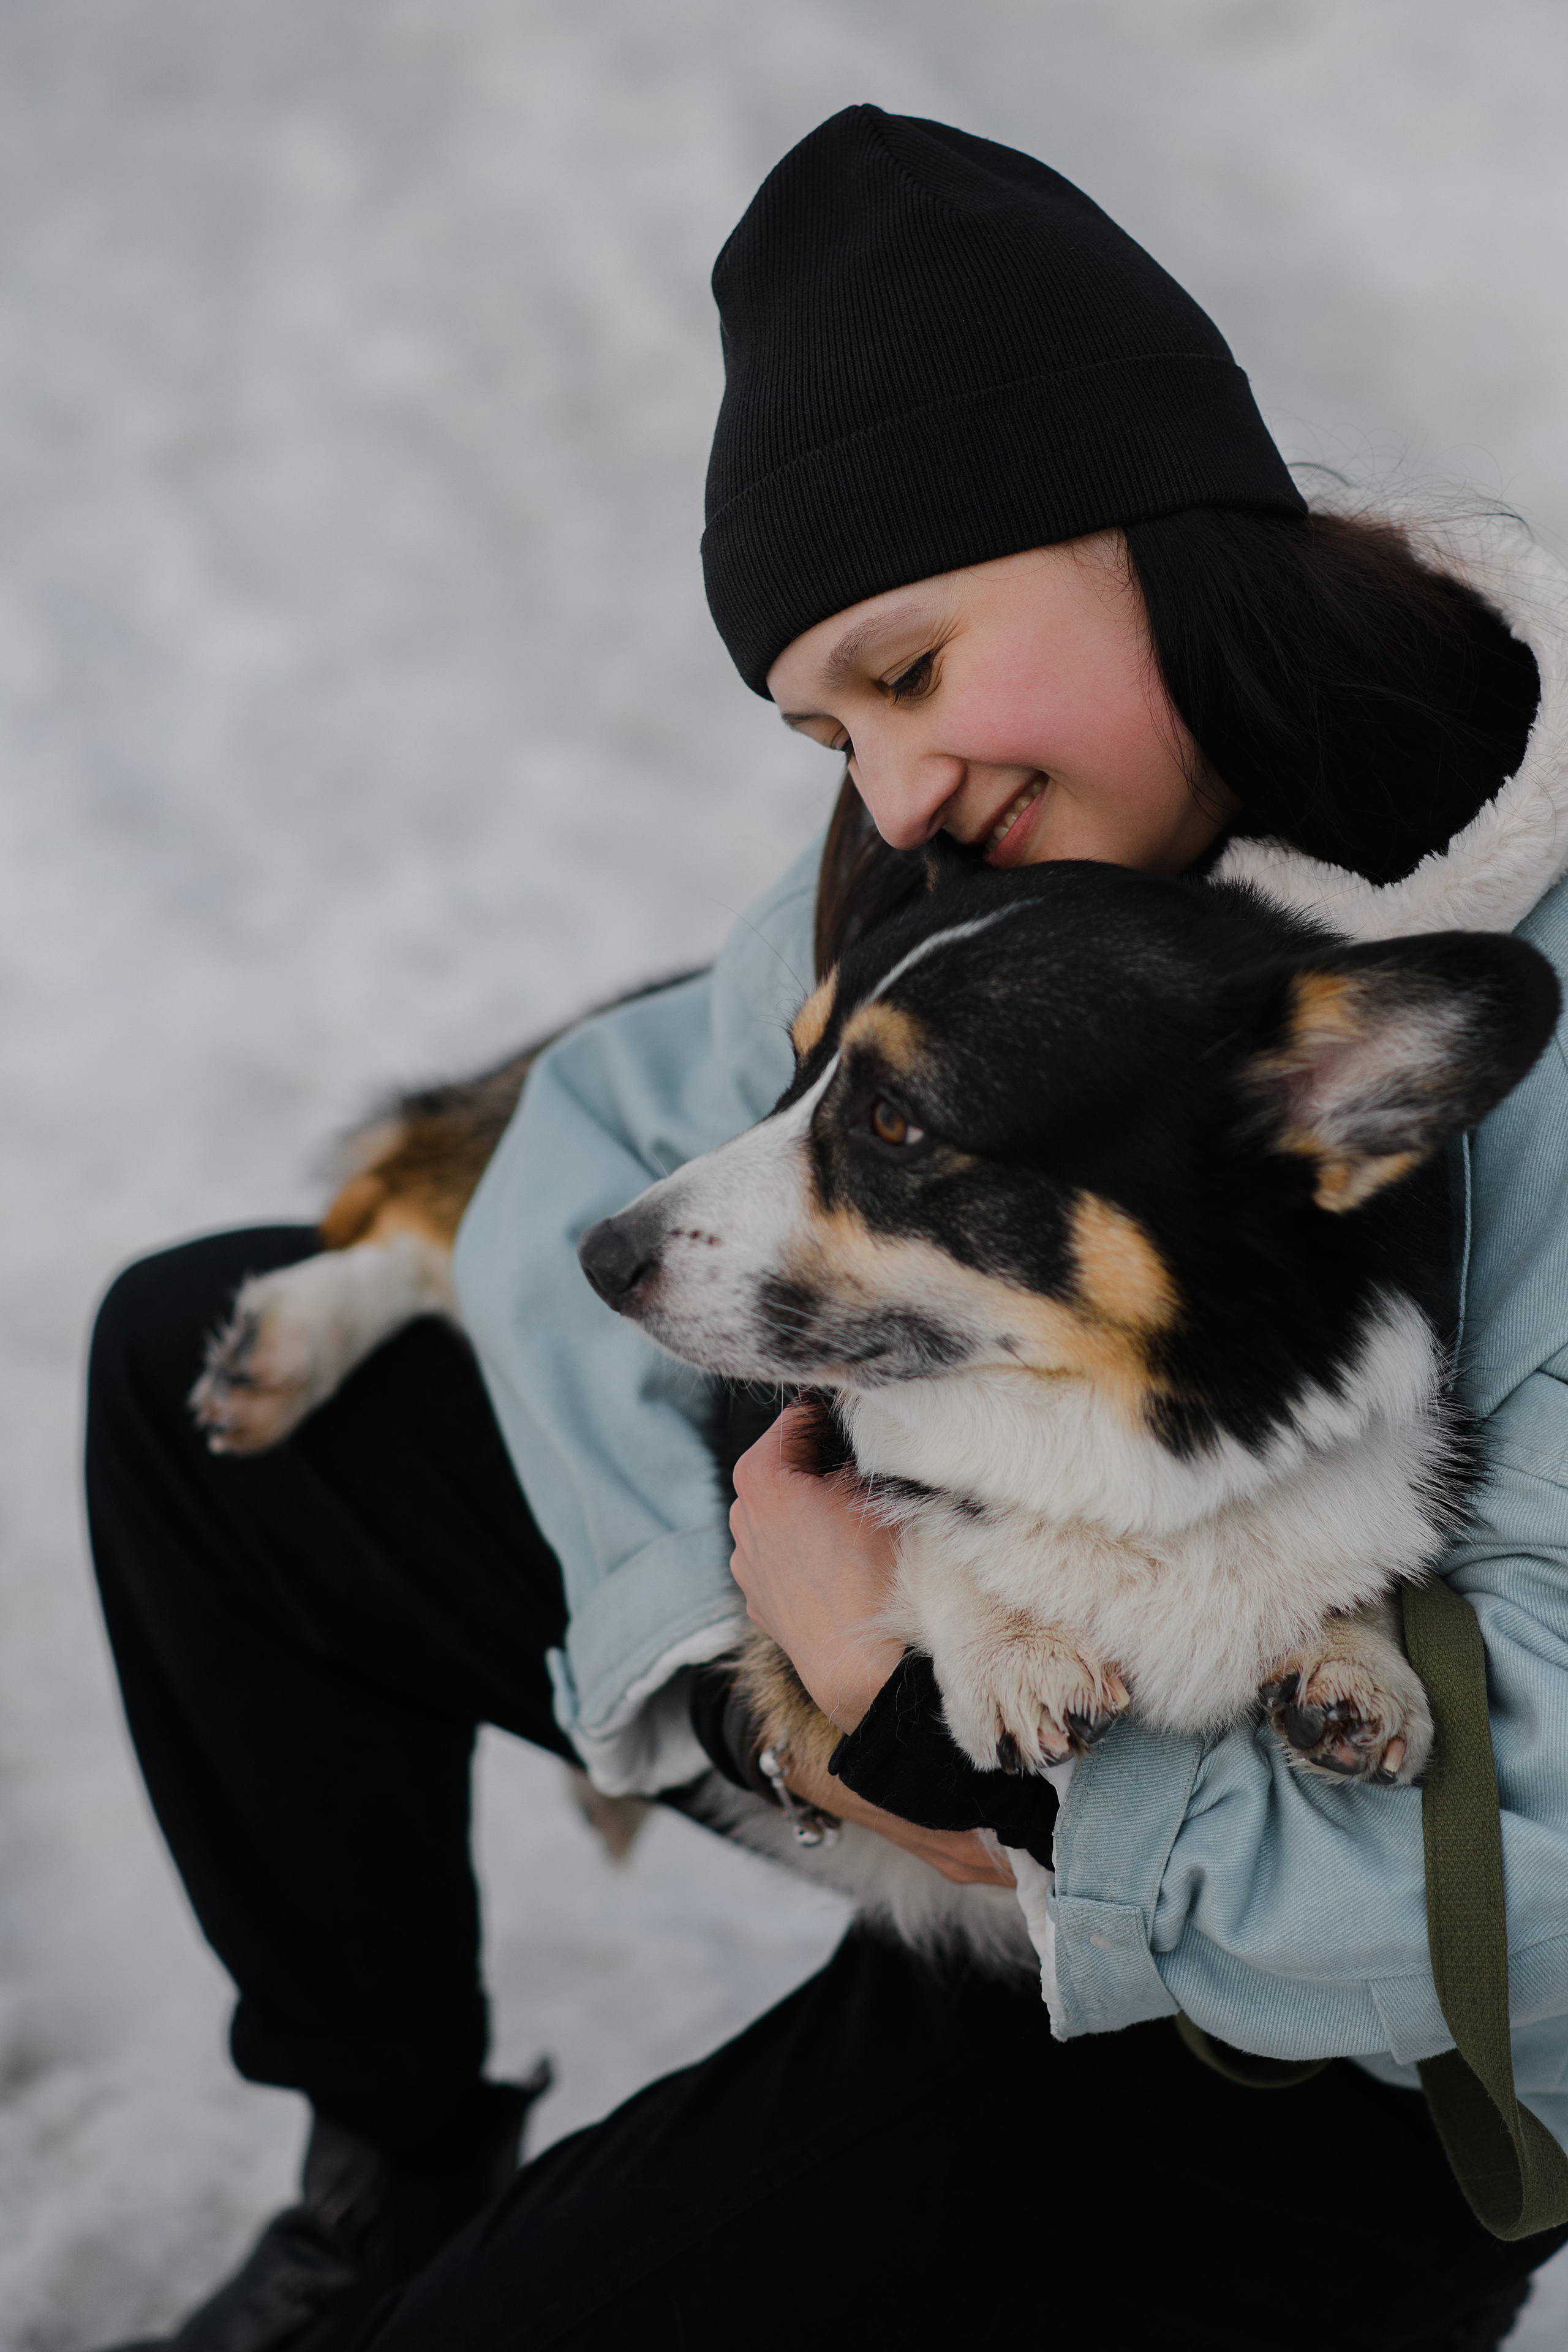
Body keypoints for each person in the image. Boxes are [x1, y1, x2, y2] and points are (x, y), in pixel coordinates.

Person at [85, 107, 1568, 2352]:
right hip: (929, 1699)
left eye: (908, 670)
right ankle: (395, 2151)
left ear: (1155, 537)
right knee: (192, 1366)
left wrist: (944, 1758)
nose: (885, 798)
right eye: (818, 729)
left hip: (1327, 2029)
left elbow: (1548, 1897)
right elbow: (611, 1155)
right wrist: (772, 1678)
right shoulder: (971, 866)